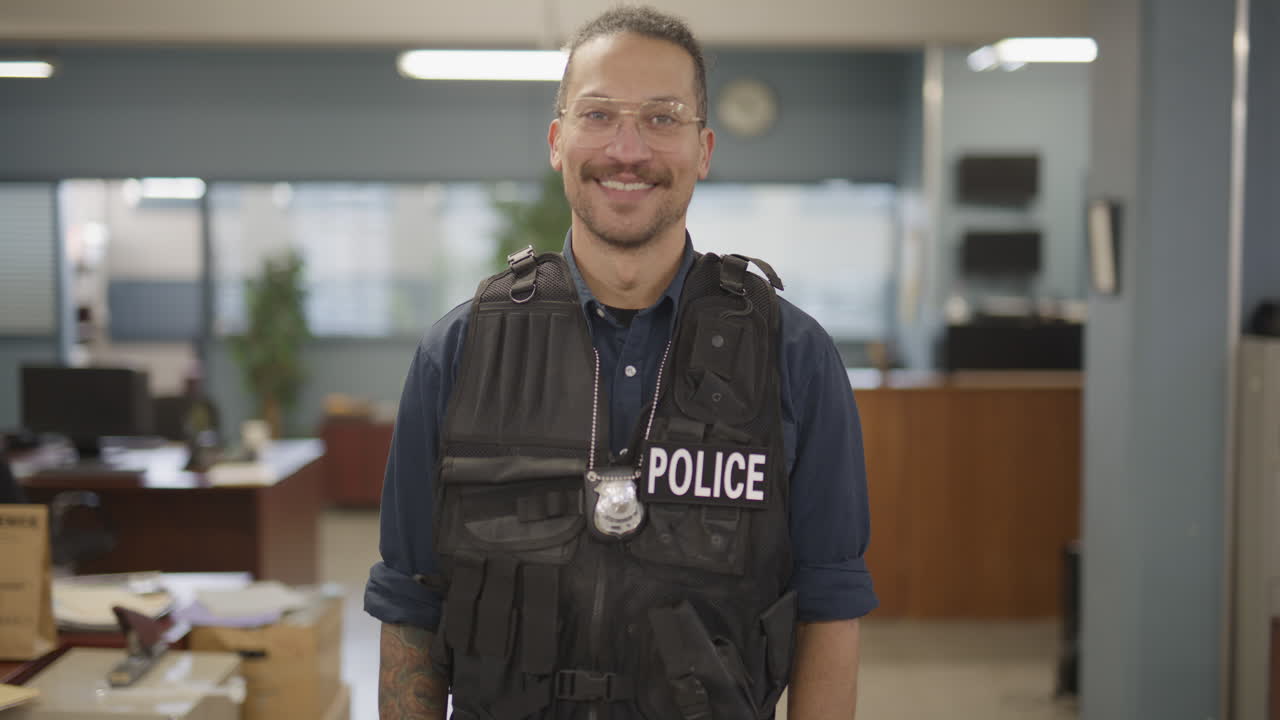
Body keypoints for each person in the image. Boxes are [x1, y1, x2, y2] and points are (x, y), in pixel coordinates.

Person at [366, 7, 876, 719]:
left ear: (703, 148)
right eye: (598, 114)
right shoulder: (458, 353)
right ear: (557, 140)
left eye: (663, 118)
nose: (628, 149)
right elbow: (411, 603)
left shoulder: (794, 358)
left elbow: (829, 605)